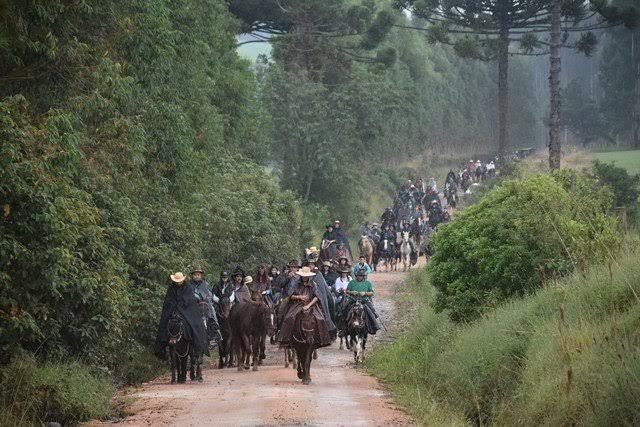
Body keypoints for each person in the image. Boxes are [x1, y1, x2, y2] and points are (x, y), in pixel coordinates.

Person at [154, 272, 210, 359]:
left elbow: (190, 300)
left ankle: (196, 346)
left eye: (179, 281)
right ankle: (162, 349)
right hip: (173, 310)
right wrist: (173, 307)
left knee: (195, 324)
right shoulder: (171, 288)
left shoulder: (187, 287)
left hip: (186, 310)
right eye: (177, 281)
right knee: (164, 323)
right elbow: (168, 301)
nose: (178, 283)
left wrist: (181, 306)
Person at [277, 267, 331, 348]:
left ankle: (323, 340)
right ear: (301, 276)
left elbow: (316, 297)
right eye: (303, 276)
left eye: (306, 276)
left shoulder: (313, 284)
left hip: (311, 304)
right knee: (289, 317)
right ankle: (285, 339)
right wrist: (299, 297)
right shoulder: (296, 284)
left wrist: (308, 305)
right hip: (298, 304)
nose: (305, 277)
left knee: (321, 319)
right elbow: (290, 296)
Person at [189, 265, 221, 345]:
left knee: (212, 309)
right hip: (193, 304)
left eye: (198, 274)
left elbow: (210, 294)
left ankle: (215, 330)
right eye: (195, 274)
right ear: (192, 275)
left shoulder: (205, 284)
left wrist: (205, 297)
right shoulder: (189, 284)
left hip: (204, 303)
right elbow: (187, 295)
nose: (197, 276)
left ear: (201, 275)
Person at [343, 270, 380, 335]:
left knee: (372, 312)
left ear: (364, 276)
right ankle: (342, 328)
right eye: (359, 276)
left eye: (361, 276)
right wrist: (352, 292)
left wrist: (365, 293)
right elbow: (347, 291)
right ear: (356, 276)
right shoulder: (352, 282)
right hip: (353, 300)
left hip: (364, 301)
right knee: (344, 310)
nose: (360, 277)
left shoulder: (368, 283)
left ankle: (374, 327)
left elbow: (372, 293)